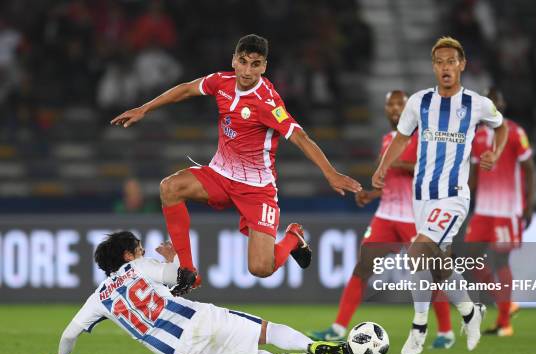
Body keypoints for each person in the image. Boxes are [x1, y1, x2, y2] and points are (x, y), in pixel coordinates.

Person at [110, 34, 362, 284]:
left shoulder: (268, 102)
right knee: (170, 187)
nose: (248, 70)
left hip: (256, 189)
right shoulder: (222, 82)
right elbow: (185, 89)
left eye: (255, 64)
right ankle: (187, 272)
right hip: (220, 175)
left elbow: (300, 137)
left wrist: (330, 172)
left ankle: (293, 237)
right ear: (234, 60)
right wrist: (144, 108)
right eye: (243, 61)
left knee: (261, 268)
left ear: (264, 66)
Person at [372, 36, 508, 354]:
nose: (446, 67)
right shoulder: (419, 102)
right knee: (439, 266)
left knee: (417, 253)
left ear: (462, 65)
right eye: (440, 62)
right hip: (421, 197)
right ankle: (471, 312)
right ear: (433, 67)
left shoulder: (476, 104)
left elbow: (500, 127)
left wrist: (495, 152)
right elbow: (401, 138)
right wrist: (382, 167)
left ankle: (418, 328)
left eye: (451, 61)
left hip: (453, 197)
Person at [41, 231, 352, 354]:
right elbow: (183, 275)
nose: (142, 252)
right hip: (199, 321)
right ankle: (315, 346)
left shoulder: (98, 298)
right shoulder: (138, 267)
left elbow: (69, 334)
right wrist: (172, 255)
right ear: (127, 256)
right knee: (266, 330)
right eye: (138, 248)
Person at [308, 90, 418, 341]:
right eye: (390, 105)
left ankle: (445, 331)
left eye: (400, 105)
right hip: (386, 215)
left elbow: (428, 170)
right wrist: (371, 195)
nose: (394, 109)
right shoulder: (388, 139)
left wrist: (395, 163)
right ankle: (337, 329)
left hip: (414, 217)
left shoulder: (423, 135)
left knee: (426, 275)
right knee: (362, 268)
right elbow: (389, 182)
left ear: (409, 108)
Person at [431, 87, 536, 341]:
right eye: (490, 102)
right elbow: (474, 176)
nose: (494, 106)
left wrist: (529, 204)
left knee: (501, 262)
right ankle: (505, 303)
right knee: (472, 259)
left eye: (497, 101)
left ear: (503, 104)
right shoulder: (476, 135)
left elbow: (529, 169)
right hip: (483, 211)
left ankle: (503, 323)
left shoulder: (515, 132)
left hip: (506, 210)